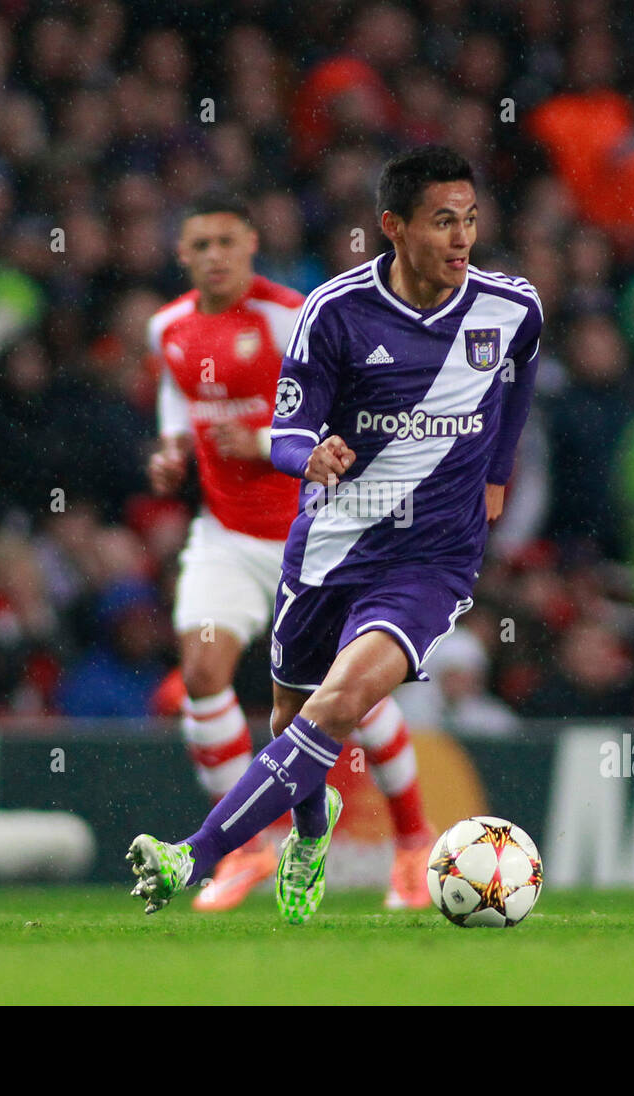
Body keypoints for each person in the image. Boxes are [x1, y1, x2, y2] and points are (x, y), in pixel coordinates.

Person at [129, 146, 543, 922]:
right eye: (442, 221)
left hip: (430, 560)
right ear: (393, 226)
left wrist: (495, 475)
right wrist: (307, 454)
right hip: (327, 546)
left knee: (343, 698)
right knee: (293, 721)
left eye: (471, 220)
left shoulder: (510, 308)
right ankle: (308, 839)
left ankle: (197, 853)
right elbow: (288, 430)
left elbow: (516, 382)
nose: (462, 238)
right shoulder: (336, 311)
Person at [146, 192, 439, 911]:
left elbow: (347, 415)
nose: (214, 255)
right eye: (200, 245)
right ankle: (243, 852)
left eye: (226, 241)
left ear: (251, 244)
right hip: (225, 536)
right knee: (203, 670)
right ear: (183, 256)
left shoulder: (293, 317)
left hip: (314, 536)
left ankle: (413, 843)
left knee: (354, 700)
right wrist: (171, 451)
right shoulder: (169, 327)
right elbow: (179, 402)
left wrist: (273, 444)